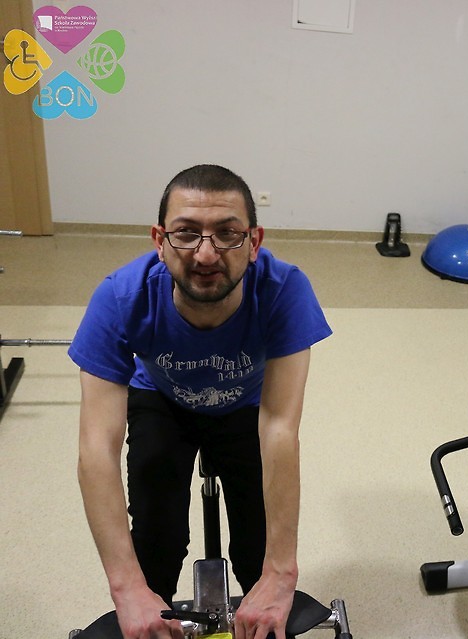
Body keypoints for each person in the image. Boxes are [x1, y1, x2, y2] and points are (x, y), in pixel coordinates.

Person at [69, 164, 332, 639]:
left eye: (228, 234)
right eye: (186, 233)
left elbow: (280, 429)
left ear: (254, 242)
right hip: (160, 399)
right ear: (159, 241)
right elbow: (95, 448)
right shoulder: (120, 297)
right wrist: (128, 590)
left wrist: (280, 575)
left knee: (258, 547)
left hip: (248, 406)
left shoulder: (285, 289)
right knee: (156, 538)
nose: (206, 254)